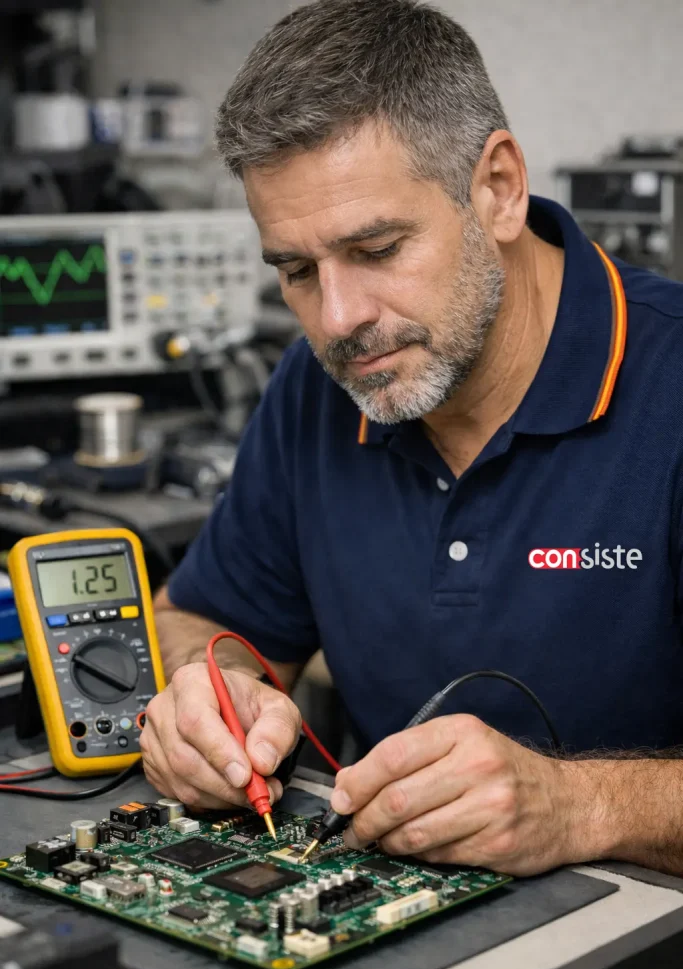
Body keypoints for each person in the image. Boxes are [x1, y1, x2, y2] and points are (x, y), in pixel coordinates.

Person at [142, 0, 683, 877]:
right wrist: (209, 694)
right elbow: (202, 619)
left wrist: (583, 805)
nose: (338, 319)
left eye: (377, 249)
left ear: (497, 188)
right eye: (297, 271)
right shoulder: (318, 385)